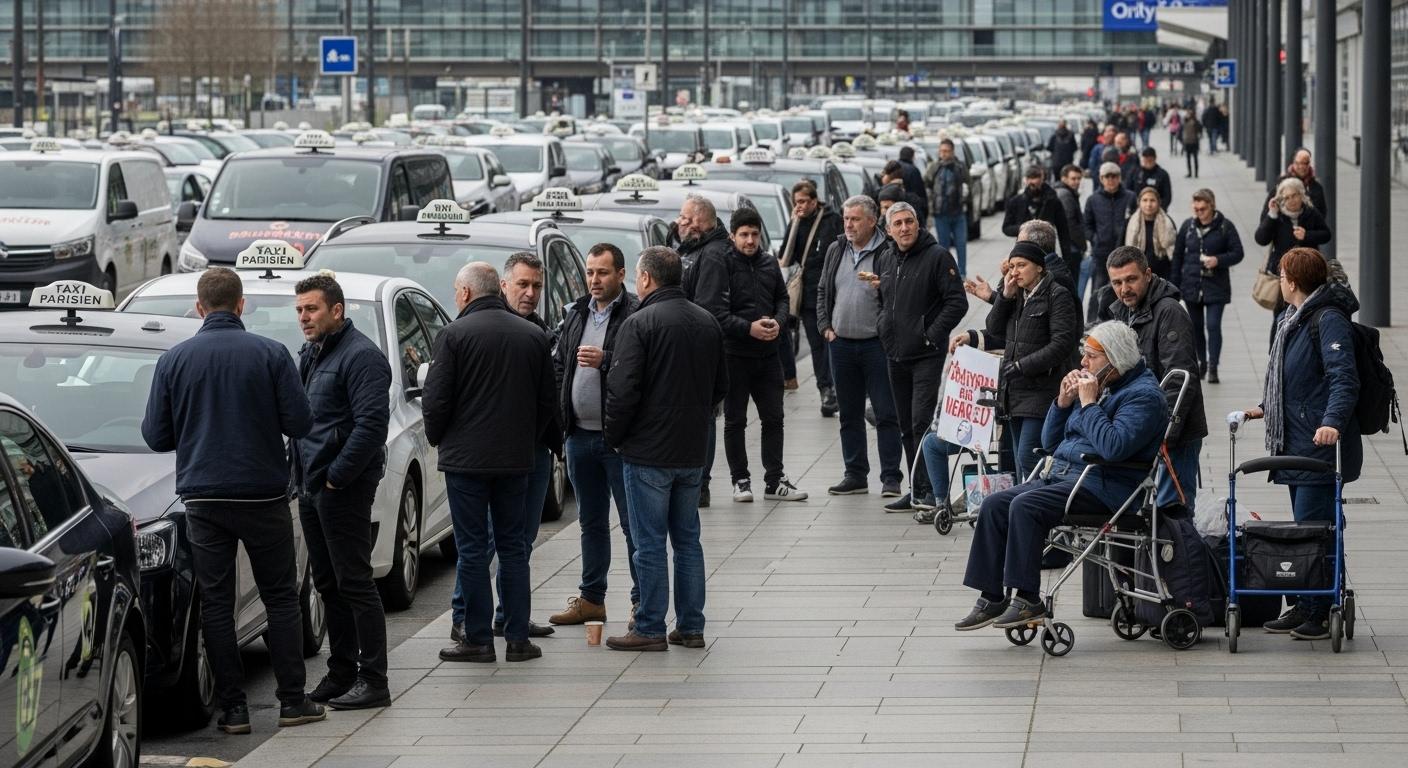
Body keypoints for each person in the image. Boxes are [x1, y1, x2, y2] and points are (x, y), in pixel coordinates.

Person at [141, 267, 325, 732]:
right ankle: (292, 700)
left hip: (202, 498)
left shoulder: (175, 359)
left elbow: (155, 435)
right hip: (263, 495)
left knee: (217, 604)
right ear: (242, 305)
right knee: (281, 598)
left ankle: (234, 709)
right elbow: (301, 423)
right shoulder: (271, 353)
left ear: (200, 308)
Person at [955, 321, 1169, 630]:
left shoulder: (1143, 396)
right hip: (1067, 476)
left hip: (1105, 487)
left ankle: (1028, 599)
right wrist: (1063, 402)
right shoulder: (1104, 385)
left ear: (1114, 358)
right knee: (994, 504)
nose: (1082, 363)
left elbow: (1112, 447)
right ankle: (992, 596)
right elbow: (1051, 443)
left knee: (1026, 506)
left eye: (1091, 356)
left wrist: (1089, 403)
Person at [426, 262, 557, 664]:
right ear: (498, 290)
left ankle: (478, 639)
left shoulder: (452, 335)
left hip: (466, 462)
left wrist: (440, 439)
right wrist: (525, 441)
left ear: (465, 293)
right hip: (516, 461)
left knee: (471, 550)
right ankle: (517, 638)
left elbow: (436, 400)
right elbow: (546, 403)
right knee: (514, 547)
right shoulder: (533, 335)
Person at [604, 246, 728, 651]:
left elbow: (623, 391)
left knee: (650, 542)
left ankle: (650, 626)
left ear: (645, 279)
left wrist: (615, 437)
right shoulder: (707, 322)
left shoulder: (639, 324)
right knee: (688, 540)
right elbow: (720, 386)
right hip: (693, 449)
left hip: (647, 452)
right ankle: (691, 626)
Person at [1235, 247, 1361, 640]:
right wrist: (1263, 409)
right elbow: (1294, 381)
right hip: (1294, 441)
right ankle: (1305, 603)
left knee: (1315, 528)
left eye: (1282, 273)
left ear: (1292, 280)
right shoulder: (1293, 316)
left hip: (1316, 444)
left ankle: (1321, 611)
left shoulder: (1327, 319)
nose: (1279, 279)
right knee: (1304, 528)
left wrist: (1331, 423)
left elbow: (1344, 378)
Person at [291, 273, 393, 709]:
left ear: (337, 310)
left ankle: (374, 681)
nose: (303, 318)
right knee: (327, 582)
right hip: (312, 485)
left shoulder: (362, 356)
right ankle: (341, 672)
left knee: (355, 582)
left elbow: (371, 426)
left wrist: (336, 477)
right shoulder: (312, 353)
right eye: (299, 310)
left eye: (311, 309)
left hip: (341, 487)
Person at [547, 244, 640, 629]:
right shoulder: (576, 312)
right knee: (590, 521)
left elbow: (640, 365)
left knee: (633, 523)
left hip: (619, 440)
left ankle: (641, 602)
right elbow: (559, 364)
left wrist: (607, 360)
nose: (594, 281)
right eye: (589, 273)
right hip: (579, 436)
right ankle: (591, 598)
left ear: (620, 274)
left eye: (602, 273)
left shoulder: (635, 312)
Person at [696, 207, 808, 503]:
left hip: (769, 356)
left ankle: (774, 480)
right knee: (735, 420)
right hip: (734, 356)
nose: (749, 241)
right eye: (743, 235)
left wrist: (779, 323)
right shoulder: (722, 265)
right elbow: (716, 314)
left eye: (754, 235)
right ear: (732, 236)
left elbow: (782, 299)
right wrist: (749, 329)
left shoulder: (770, 264)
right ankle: (740, 480)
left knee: (774, 418)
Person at [951, 241, 1080, 485]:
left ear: (1039, 267)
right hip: (1013, 394)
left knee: (1029, 458)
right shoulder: (1017, 295)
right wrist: (1005, 297)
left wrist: (1023, 366)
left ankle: (1036, 510)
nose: (1015, 272)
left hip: (1041, 391)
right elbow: (994, 328)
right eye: (1011, 266)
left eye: (1022, 265)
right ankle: (1023, 512)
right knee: (1019, 461)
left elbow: (1061, 344)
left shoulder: (1056, 294)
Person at [869, 201, 967, 512]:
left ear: (918, 223)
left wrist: (930, 335)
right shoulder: (885, 259)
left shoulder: (937, 256)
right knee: (905, 425)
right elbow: (885, 300)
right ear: (888, 230)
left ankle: (931, 492)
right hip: (895, 354)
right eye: (897, 224)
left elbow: (957, 302)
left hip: (926, 354)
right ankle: (917, 490)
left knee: (920, 421)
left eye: (909, 221)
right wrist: (884, 326)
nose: (904, 228)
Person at [1099, 247, 1208, 510]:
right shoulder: (1122, 311)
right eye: (1117, 282)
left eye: (1131, 279)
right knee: (1146, 515)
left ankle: (1181, 551)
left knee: (1172, 514)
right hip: (1142, 428)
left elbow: (1180, 379)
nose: (1124, 288)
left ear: (1148, 275)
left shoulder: (1169, 311)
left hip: (1173, 434)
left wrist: (1165, 435)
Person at [815, 195, 905, 497]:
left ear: (871, 221)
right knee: (848, 413)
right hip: (840, 344)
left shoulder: (887, 251)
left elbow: (900, 295)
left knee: (885, 412)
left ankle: (891, 477)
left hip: (876, 346)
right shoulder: (836, 248)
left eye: (855, 219)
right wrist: (825, 327)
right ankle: (855, 474)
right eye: (846, 219)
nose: (849, 224)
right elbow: (824, 288)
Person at [673, 194, 732, 505]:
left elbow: (706, 309)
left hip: (699, 351)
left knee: (704, 417)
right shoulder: (692, 248)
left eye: (684, 218)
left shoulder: (711, 255)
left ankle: (701, 484)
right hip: (687, 347)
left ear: (697, 222)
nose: (679, 222)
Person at [780, 179, 844, 417]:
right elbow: (784, 258)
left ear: (814, 201)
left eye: (805, 201)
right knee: (817, 344)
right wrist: (794, 222)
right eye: (797, 202)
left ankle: (837, 387)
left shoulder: (832, 220)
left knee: (833, 342)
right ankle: (825, 390)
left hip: (834, 292)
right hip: (808, 296)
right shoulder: (796, 222)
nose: (801, 206)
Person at [1171, 189, 1244, 383]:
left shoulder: (1225, 226)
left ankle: (1213, 366)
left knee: (1213, 326)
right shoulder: (1187, 226)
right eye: (1196, 208)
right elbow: (1178, 256)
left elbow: (1238, 252)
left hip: (1216, 286)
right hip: (1191, 285)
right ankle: (1201, 361)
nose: (1199, 212)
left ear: (1211, 206)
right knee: (1195, 327)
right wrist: (1175, 285)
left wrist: (1218, 260)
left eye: (1202, 208)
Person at [1255, 177, 1333, 339]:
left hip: (1308, 272)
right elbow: (1261, 238)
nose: (1291, 200)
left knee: (1307, 311)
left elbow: (1326, 234)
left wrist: (1307, 235)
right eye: (1287, 197)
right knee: (1281, 316)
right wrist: (1272, 215)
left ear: (1301, 195)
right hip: (1283, 274)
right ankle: (1275, 352)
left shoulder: (1310, 212)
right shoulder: (1278, 216)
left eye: (1294, 195)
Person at [1083, 162, 1136, 321]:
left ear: (1119, 178)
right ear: (1101, 178)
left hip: (1124, 254)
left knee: (1125, 290)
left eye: (1114, 176)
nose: (1111, 180)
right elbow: (1087, 225)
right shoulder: (1093, 199)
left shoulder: (1130, 197)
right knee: (1098, 291)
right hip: (1101, 254)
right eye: (1107, 176)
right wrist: (1094, 238)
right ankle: (1093, 325)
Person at [1001, 165, 1072, 263]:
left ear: (1042, 179)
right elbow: (1006, 228)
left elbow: (1063, 229)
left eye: (1035, 178)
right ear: (1025, 180)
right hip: (1023, 250)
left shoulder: (1052, 201)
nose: (1032, 182)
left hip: (1046, 252)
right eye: (1030, 178)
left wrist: (1067, 257)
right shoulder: (1016, 201)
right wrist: (1026, 228)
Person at [924, 138, 971, 275]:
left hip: (958, 213)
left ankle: (962, 273)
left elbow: (968, 185)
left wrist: (966, 200)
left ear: (952, 152)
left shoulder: (960, 167)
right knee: (943, 246)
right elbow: (927, 184)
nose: (944, 154)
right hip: (941, 213)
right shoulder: (934, 167)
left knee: (961, 244)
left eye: (947, 151)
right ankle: (945, 272)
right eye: (942, 151)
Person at [1123, 187, 1178, 281]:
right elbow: (1121, 249)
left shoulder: (1168, 222)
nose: (1148, 204)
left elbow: (1175, 252)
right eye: (1145, 200)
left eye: (1152, 200)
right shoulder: (1129, 223)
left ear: (1158, 203)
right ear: (1139, 202)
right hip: (1137, 275)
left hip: (1163, 276)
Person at [1054, 164, 1088, 296]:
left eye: (1079, 178)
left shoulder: (1065, 192)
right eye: (1073, 179)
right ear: (1064, 179)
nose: (1077, 182)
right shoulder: (1066, 195)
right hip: (1071, 248)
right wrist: (1082, 245)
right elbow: (1070, 224)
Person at [1279, 148, 1330, 216]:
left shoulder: (1316, 188)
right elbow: (1269, 213)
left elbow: (1322, 215)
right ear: (1293, 163)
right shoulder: (1282, 184)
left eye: (1305, 163)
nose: (1302, 167)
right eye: (1298, 163)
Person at [1126, 147, 1172, 212]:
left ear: (1155, 159)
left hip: (1157, 210)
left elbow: (1167, 196)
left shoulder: (1162, 174)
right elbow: (1128, 190)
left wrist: (1158, 208)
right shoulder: (1134, 172)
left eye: (1150, 160)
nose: (1147, 163)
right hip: (1137, 209)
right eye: (1145, 160)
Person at [896, 145, 929, 220]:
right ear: (912, 156)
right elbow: (920, 191)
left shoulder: (893, 166)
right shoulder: (913, 170)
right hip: (911, 206)